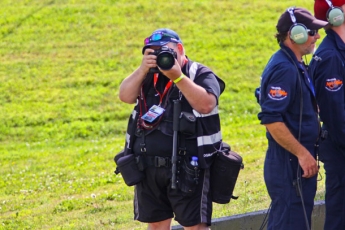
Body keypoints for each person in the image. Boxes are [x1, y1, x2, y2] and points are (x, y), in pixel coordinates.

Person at [118, 28, 225, 230]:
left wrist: (177, 77)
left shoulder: (199, 73)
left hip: (189, 167)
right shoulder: (147, 76)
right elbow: (125, 96)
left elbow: (206, 104)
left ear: (180, 49)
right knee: (156, 225)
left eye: (164, 51)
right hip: (148, 167)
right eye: (153, 52)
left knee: (195, 226)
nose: (160, 57)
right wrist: (142, 70)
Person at [257, 7, 328, 229]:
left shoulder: (293, 63)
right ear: (294, 34)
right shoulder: (284, 68)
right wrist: (302, 154)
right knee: (289, 222)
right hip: (289, 163)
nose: (317, 36)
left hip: (294, 163)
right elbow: (271, 119)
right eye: (312, 31)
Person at [309, 0, 345, 229]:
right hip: (340, 148)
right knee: (340, 215)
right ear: (336, 15)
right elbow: (336, 116)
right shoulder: (331, 57)